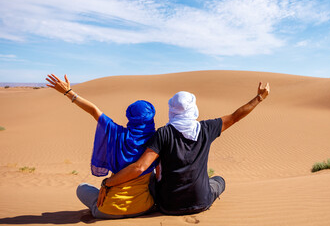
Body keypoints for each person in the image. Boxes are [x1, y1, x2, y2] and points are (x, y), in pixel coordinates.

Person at [99, 82, 271, 215]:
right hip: (201, 202)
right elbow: (235, 117)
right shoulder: (206, 129)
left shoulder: (163, 134)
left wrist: (107, 183)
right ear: (192, 108)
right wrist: (259, 98)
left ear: (172, 109)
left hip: (168, 205)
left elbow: (140, 167)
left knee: (150, 179)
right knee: (219, 181)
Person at [45, 74, 157, 219]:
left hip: (107, 211)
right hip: (144, 208)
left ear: (130, 116)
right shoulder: (156, 141)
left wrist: (68, 92)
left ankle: (95, 208)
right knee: (153, 175)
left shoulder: (116, 133)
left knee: (82, 188)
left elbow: (94, 111)